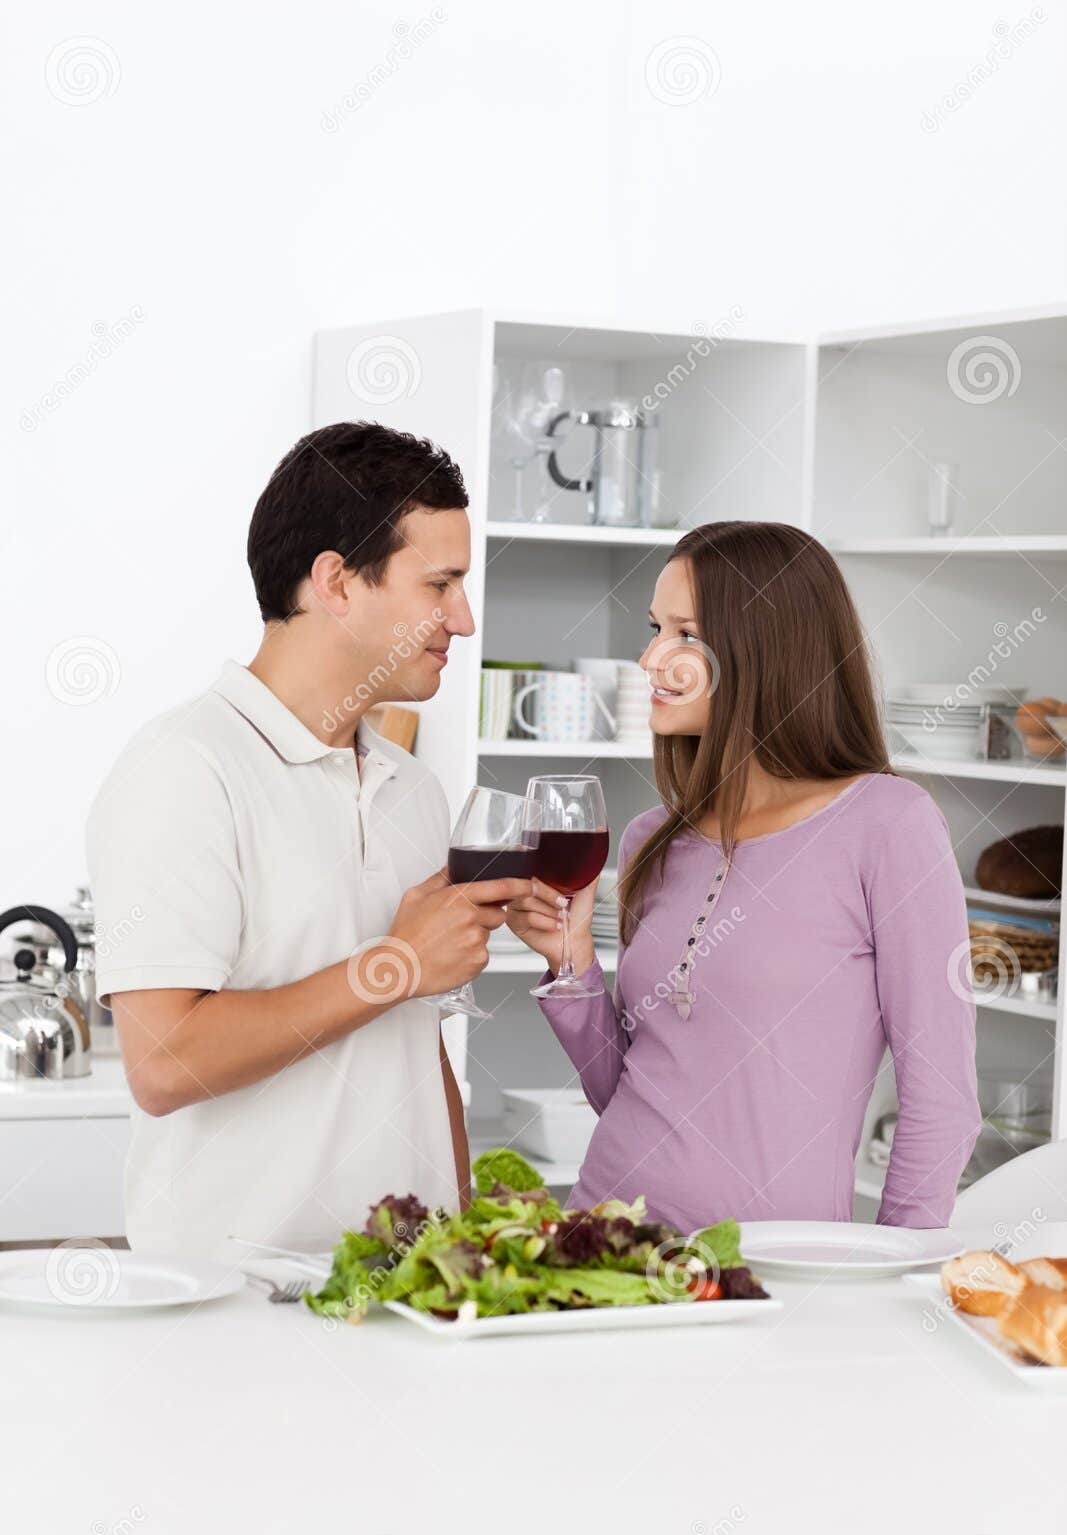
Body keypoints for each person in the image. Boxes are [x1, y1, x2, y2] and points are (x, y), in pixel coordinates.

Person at [87, 422, 531, 1258]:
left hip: (412, 1283)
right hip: (241, 1303)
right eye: (439, 584)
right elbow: (163, 1065)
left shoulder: (414, 788)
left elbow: (415, 1044)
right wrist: (392, 963)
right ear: (336, 582)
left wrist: (465, 1230)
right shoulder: (183, 769)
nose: (463, 619)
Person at [506, 521, 982, 1233]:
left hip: (773, 1266)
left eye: (682, 635)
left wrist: (888, 1276)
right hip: (601, 1239)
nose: (648, 659)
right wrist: (571, 964)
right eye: (652, 629)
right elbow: (625, 1091)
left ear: (763, 649)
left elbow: (941, 1099)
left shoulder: (888, 824)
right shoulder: (650, 840)